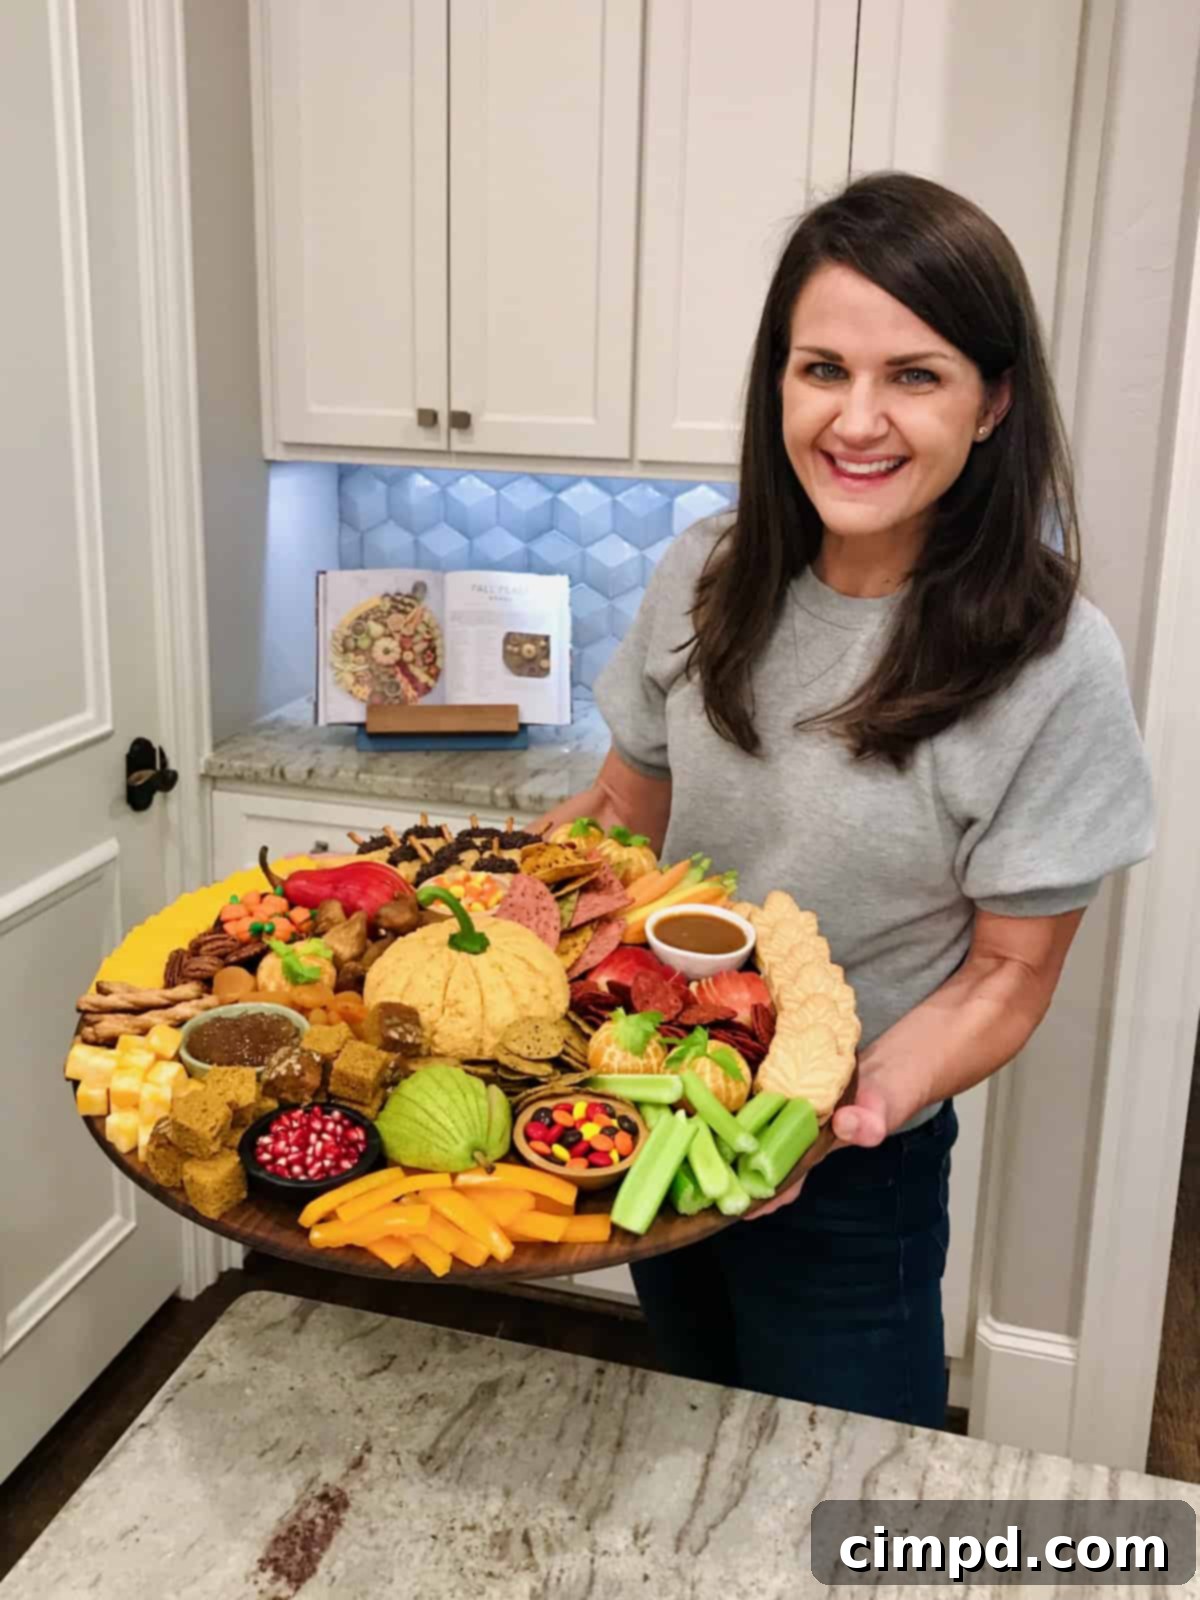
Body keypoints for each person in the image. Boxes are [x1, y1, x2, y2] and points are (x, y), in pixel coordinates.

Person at [533, 172, 1154, 1429]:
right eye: (822, 369)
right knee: (699, 1429)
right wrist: (502, 899)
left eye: (915, 375)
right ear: (778, 384)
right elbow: (620, 816)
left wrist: (857, 1100)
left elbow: (1006, 973)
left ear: (993, 405)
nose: (856, 419)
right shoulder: (702, 574)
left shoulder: (1051, 659)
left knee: (851, 1486)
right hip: (658, 1089)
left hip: (849, 1157)